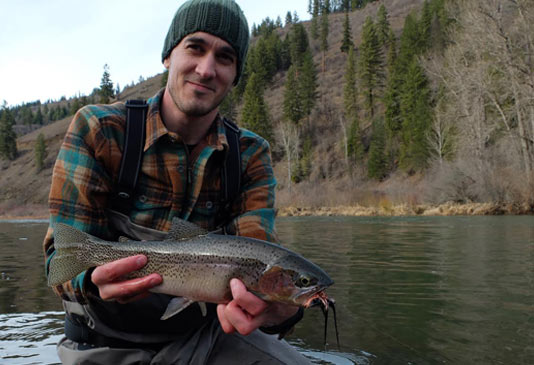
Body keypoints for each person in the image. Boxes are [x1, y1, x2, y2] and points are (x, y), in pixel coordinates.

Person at [43, 0, 311, 363]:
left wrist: (282, 310)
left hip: (206, 334)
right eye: (195, 48)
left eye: (225, 57)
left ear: (236, 73)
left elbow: (257, 250)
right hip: (101, 340)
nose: (206, 69)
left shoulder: (250, 154)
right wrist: (92, 281)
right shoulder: (100, 129)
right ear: (168, 55)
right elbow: (60, 261)